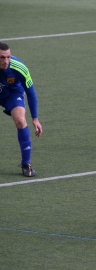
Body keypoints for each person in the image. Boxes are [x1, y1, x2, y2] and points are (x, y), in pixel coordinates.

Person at [0, 42, 42, 177]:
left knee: (20, 120)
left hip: (12, 93)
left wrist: (35, 118)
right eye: (2, 57)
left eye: (8, 57)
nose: (6, 61)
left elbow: (31, 92)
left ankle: (26, 163)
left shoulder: (19, 68)